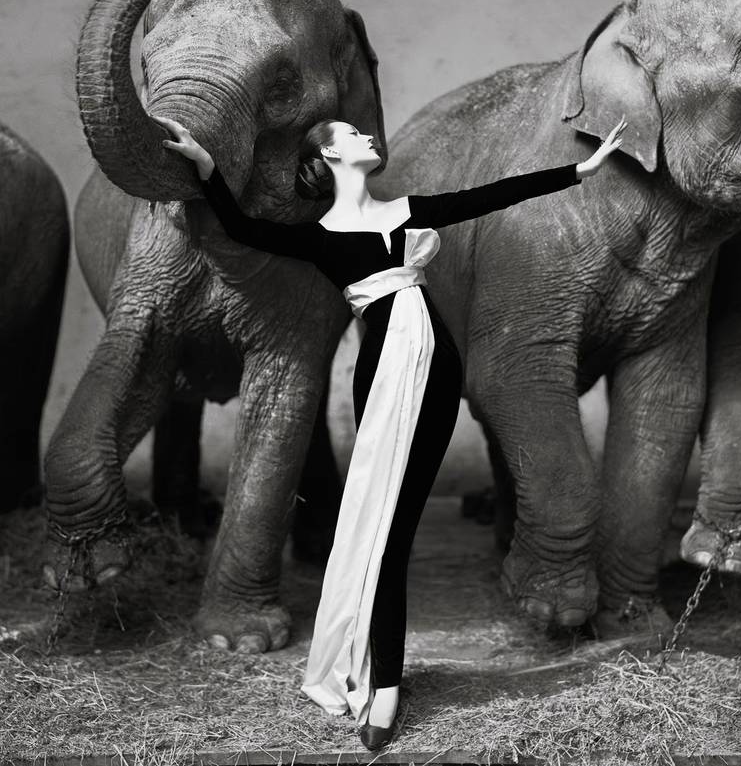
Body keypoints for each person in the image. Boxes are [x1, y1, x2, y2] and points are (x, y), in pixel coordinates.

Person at [156, 113, 625, 750]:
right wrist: (208, 170)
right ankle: (384, 686)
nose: (368, 138)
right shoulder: (318, 235)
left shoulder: (405, 210)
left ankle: (386, 682)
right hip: (384, 373)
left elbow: (491, 195)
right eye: (352, 135)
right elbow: (240, 227)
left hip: (436, 369)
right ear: (328, 157)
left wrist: (581, 170)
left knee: (398, 524)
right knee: (388, 535)